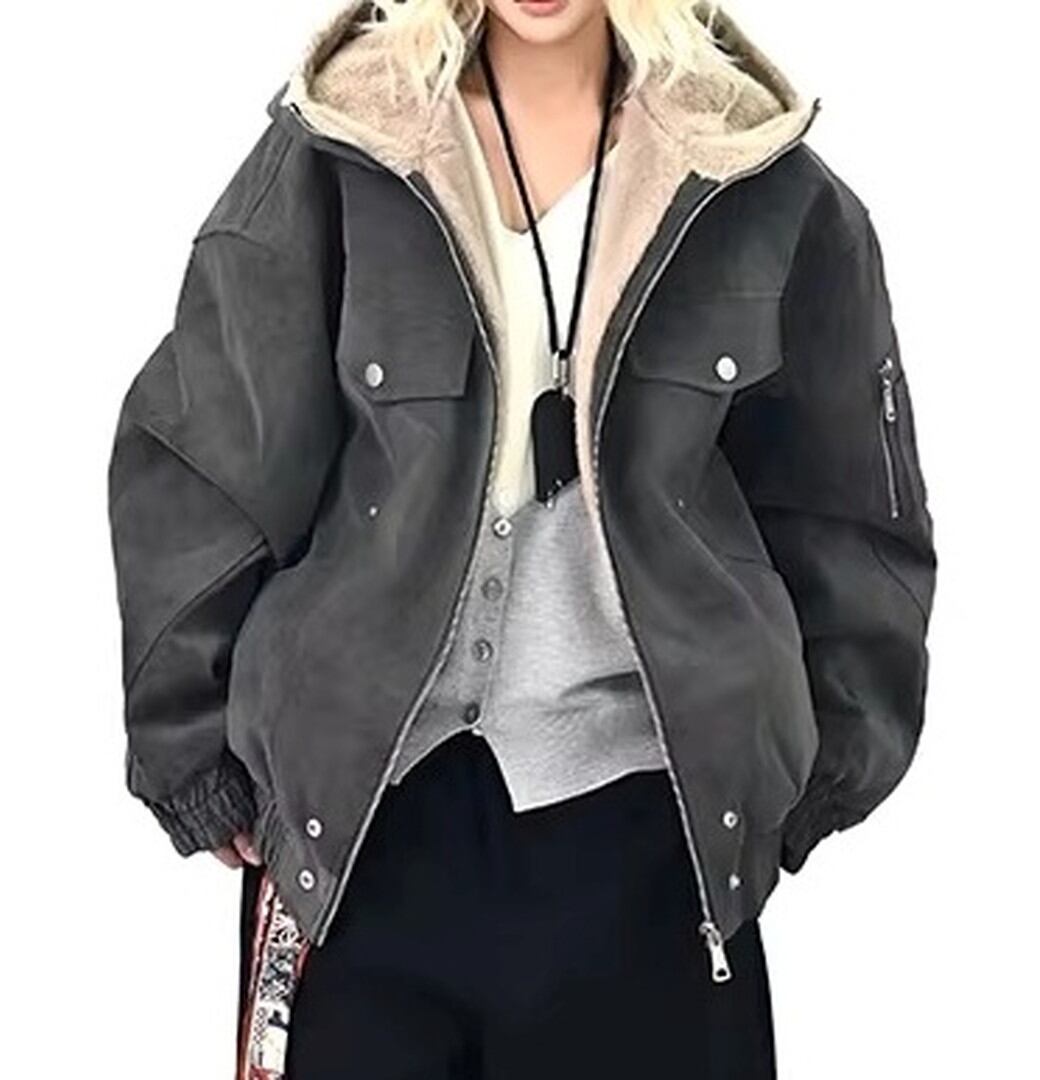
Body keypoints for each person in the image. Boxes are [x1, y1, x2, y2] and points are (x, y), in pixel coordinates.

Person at [106, 0, 937, 1076]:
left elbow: (851, 508)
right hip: (360, 836)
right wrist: (189, 746)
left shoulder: (757, 178)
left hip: (652, 839)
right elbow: (204, 453)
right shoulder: (344, 143)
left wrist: (814, 774)